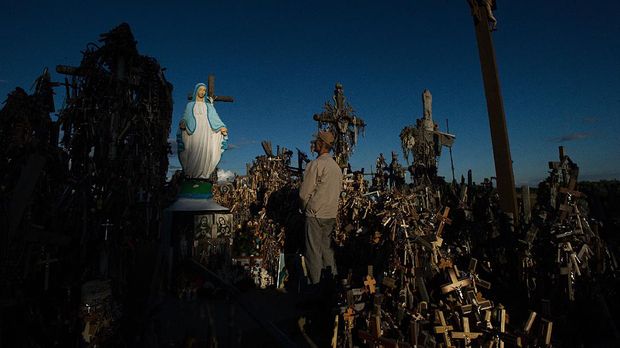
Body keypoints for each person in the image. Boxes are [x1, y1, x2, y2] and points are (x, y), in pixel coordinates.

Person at [299, 131, 343, 284]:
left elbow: (304, 194)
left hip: (315, 215)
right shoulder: (336, 168)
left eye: (316, 142)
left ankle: (316, 287)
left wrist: (305, 208)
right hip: (330, 214)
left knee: (313, 252)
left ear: (320, 144)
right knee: (327, 249)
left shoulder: (316, 165)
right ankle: (332, 283)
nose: (314, 145)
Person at [176, 83, 228, 179]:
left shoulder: (208, 106)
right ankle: (191, 173)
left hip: (206, 129)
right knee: (193, 150)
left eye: (204, 90)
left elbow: (215, 117)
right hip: (194, 130)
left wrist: (221, 126)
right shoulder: (190, 105)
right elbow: (185, 116)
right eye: (201, 90)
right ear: (196, 91)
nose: (203, 92)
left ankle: (203, 174)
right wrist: (183, 122)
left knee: (206, 150)